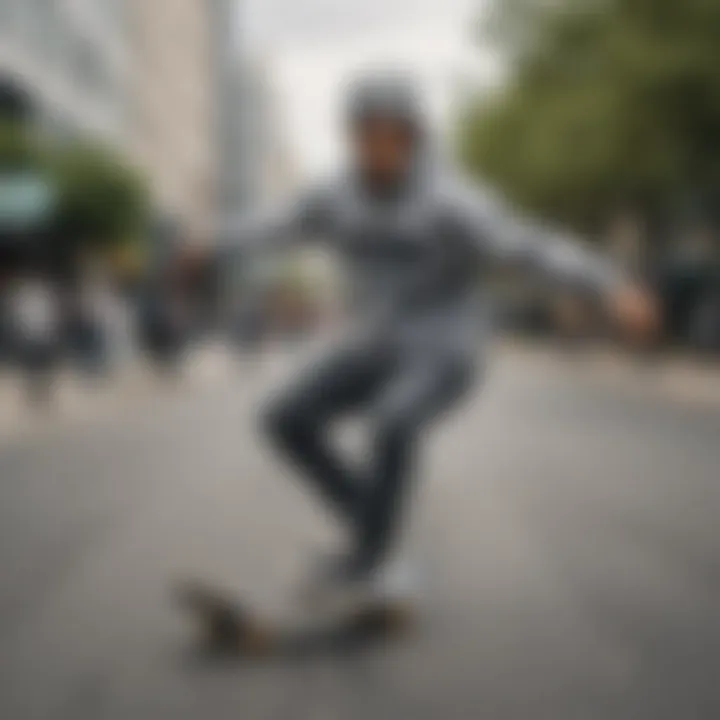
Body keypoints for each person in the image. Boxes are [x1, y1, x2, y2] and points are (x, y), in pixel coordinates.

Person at [217, 73, 657, 608]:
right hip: (373, 347)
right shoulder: (334, 196)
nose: (379, 150)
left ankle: (366, 556)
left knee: (391, 420)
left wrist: (611, 286)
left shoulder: (453, 204)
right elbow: (276, 224)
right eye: (367, 136)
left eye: (392, 137)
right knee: (283, 419)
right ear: (351, 138)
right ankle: (372, 531)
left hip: (444, 351)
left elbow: (528, 248)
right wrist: (208, 247)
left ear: (413, 139)